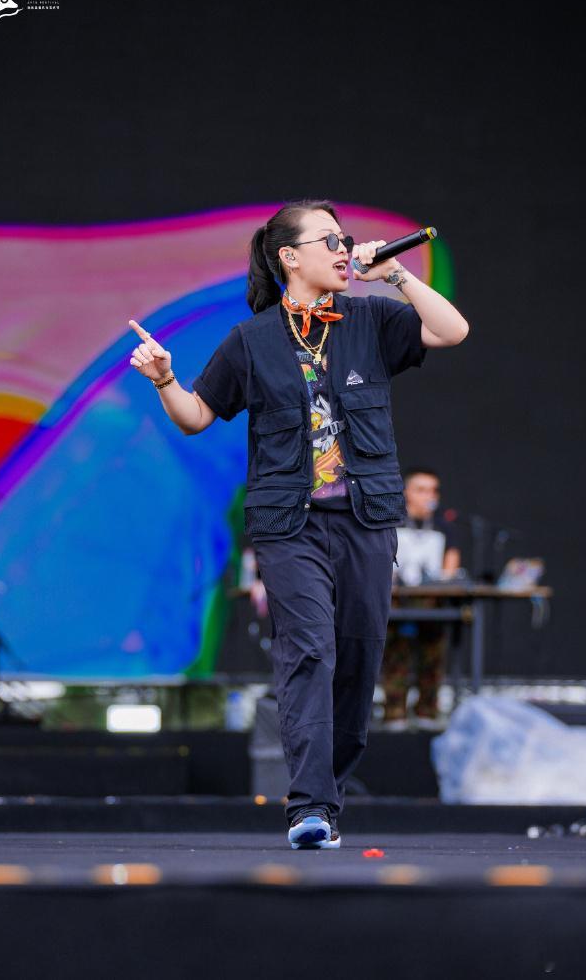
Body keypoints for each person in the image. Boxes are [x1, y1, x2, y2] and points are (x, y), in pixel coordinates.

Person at [127, 198, 469, 849]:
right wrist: (165, 379)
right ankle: (308, 805)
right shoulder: (251, 340)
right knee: (309, 649)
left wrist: (393, 274)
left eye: (346, 239)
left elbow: (451, 330)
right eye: (329, 240)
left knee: (358, 658)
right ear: (289, 257)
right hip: (290, 524)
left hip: (366, 519)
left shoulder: (371, 318)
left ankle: (324, 794)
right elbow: (197, 415)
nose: (344, 248)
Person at [382, 466, 463, 732]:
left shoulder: (444, 526)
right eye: (421, 489)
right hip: (396, 600)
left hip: (429, 601)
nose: (429, 496)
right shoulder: (390, 521)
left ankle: (427, 709)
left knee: (432, 654)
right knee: (395, 653)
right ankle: (394, 710)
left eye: (433, 490)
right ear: (406, 492)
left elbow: (450, 566)